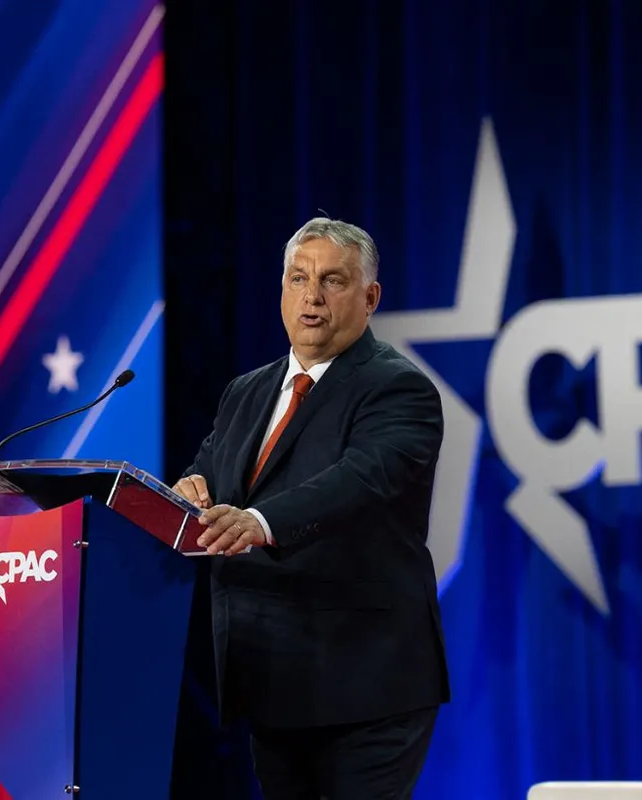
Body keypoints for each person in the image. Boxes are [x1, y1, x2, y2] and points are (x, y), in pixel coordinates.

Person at [173, 217, 450, 799]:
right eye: (298, 279)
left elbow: (359, 481)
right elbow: (212, 471)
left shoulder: (398, 389)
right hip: (272, 674)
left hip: (367, 684)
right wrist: (191, 488)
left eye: (333, 281)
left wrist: (260, 522)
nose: (312, 297)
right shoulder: (246, 391)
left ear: (370, 297)